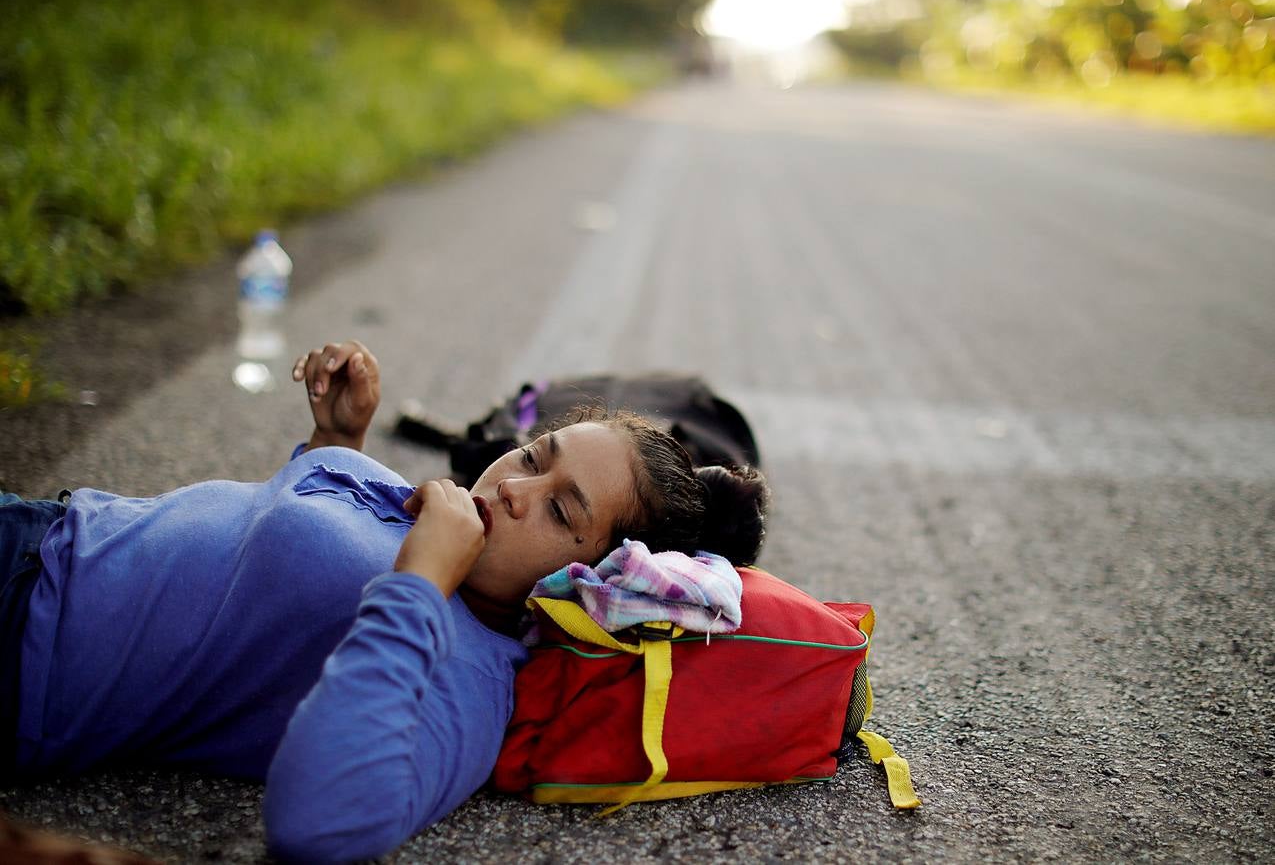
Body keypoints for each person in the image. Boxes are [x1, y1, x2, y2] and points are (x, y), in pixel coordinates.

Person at [1, 340, 769, 862]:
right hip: (49, 525)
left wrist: (419, 584)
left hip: (23, 643)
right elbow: (258, 581)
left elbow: (319, 824)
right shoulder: (451, 519)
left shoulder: (471, 675)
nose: (511, 488)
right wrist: (336, 441)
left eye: (562, 511)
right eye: (534, 456)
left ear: (587, 577)